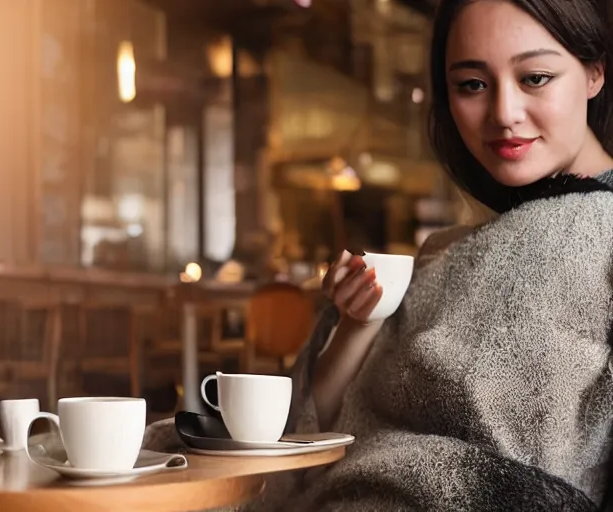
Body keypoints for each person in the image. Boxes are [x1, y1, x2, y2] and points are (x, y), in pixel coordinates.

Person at [144, 1, 613, 510]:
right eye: (472, 85)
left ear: (593, 73)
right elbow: (318, 431)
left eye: (536, 77)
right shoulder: (442, 251)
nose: (503, 113)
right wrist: (356, 322)